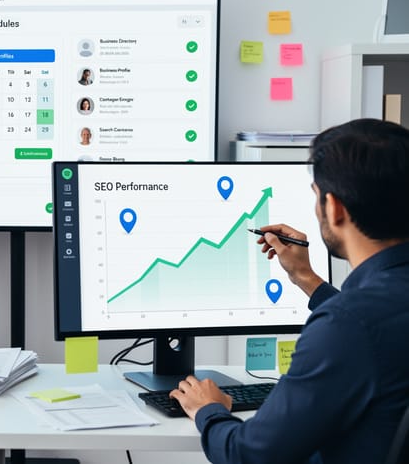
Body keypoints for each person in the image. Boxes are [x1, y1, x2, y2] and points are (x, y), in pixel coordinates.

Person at [170, 119, 409, 464]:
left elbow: (251, 455)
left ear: (335, 207)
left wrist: (209, 411)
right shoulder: (372, 313)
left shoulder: (346, 326)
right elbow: (378, 329)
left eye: (316, 197)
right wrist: (305, 277)